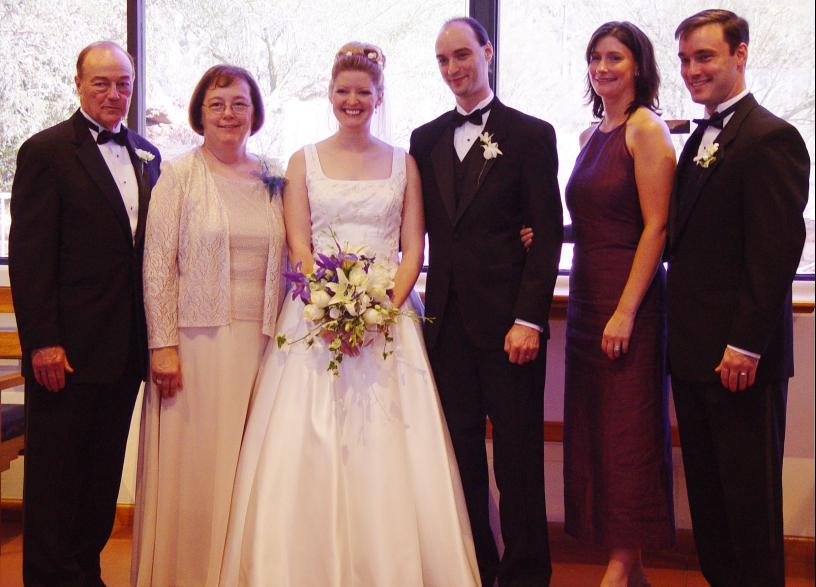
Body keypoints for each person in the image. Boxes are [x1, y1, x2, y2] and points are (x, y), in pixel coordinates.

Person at [219, 42, 480, 587]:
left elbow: (414, 249)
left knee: (389, 446)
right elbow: (299, 246)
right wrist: (332, 305)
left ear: (379, 97)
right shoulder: (303, 160)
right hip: (314, 314)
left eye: (363, 92)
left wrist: (378, 310)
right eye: (343, 91)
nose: (352, 100)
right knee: (305, 442)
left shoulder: (404, 162)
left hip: (388, 318)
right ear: (330, 95)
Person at [409, 17, 563, 587]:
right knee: (461, 456)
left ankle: (527, 574)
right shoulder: (423, 140)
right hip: (445, 324)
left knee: (518, 458)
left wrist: (529, 319)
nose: (453, 68)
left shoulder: (531, 134)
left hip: (509, 326)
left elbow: (547, 234)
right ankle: (476, 564)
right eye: (443, 59)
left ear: (487, 52)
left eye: (462, 55)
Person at [8, 41, 161, 586]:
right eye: (102, 82)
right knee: (56, 478)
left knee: (100, 474)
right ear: (78, 84)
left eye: (123, 83)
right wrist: (43, 342)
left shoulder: (147, 154)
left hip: (124, 350)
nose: (114, 93)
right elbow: (30, 256)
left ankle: (85, 574)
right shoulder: (46, 151)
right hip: (65, 352)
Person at [130, 65, 287, 587]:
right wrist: (163, 345)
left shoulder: (274, 177)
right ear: (200, 113)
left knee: (252, 465)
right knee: (200, 466)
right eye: (217, 104)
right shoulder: (178, 176)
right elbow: (157, 264)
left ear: (254, 112)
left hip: (263, 342)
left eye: (239, 103)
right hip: (197, 344)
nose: (228, 113)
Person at [668, 9, 809, 587]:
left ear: (740, 54)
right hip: (692, 354)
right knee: (711, 507)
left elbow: (775, 252)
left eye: (704, 57)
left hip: (739, 360)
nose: (691, 70)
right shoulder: (698, 139)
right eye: (684, 59)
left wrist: (745, 346)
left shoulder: (771, 137)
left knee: (750, 510)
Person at [562, 21, 675, 587]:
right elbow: (594, 216)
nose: (602, 68)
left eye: (615, 58)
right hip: (585, 296)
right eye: (596, 57)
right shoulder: (590, 135)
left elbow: (656, 227)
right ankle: (633, 570)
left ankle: (619, 567)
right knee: (596, 432)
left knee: (629, 434)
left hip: (628, 301)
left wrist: (626, 311)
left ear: (638, 66)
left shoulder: (646, 129)